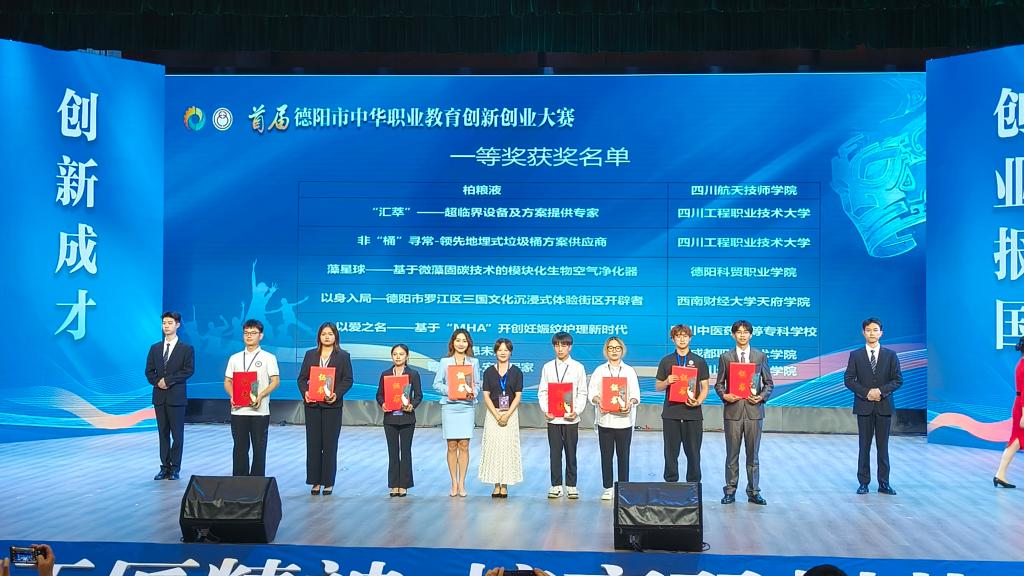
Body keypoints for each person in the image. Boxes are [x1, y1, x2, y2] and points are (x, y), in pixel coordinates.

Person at [714, 320, 774, 505]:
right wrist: (725, 395)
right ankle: (730, 491)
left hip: (754, 411)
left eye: (745, 332)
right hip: (733, 412)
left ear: (751, 335)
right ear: (733, 335)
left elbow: (769, 383)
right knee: (732, 455)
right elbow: (719, 384)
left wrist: (761, 397)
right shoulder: (726, 357)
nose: (742, 335)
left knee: (753, 455)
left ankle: (754, 491)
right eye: (739, 332)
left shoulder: (760, 356)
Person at [843, 317, 903, 495]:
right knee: (864, 446)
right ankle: (863, 483)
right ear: (863, 333)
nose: (872, 333)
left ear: (881, 333)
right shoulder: (856, 355)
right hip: (864, 406)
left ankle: (884, 483)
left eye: (875, 330)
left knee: (883, 447)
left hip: (884, 407)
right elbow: (849, 380)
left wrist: (880, 391)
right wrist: (866, 392)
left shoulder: (890, 355)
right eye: (868, 330)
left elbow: (898, 380)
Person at [297, 322, 354, 495]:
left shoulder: (343, 356)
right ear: (319, 337)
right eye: (323, 334)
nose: (327, 337)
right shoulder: (310, 355)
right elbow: (301, 379)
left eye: (330, 334)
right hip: (312, 405)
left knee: (330, 444)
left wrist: (336, 394)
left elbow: (348, 380)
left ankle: (328, 482)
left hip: (332, 406)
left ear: (335, 336)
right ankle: (315, 481)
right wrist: (306, 393)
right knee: (313, 444)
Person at [223, 319, 280, 476]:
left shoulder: (268, 357)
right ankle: (239, 481)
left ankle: (257, 482)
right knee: (239, 448)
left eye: (253, 333)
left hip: (259, 411)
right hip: (238, 410)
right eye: (246, 333)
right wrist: (233, 395)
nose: (249, 336)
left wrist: (261, 395)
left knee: (259, 449)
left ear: (260, 336)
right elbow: (227, 381)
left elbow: (275, 381)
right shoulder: (234, 358)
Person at [654, 324, 710, 483]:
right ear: (673, 339)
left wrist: (698, 401)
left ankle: (693, 486)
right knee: (670, 453)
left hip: (693, 414)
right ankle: (671, 485)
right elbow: (658, 386)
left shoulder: (699, 361)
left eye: (685, 336)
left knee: (693, 453)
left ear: (690, 338)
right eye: (678, 336)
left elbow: (705, 387)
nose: (682, 339)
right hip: (671, 413)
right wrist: (667, 381)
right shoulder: (666, 361)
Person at [537, 331, 589, 499]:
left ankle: (572, 485)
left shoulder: (578, 367)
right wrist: (546, 410)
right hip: (553, 418)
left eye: (564, 345)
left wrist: (577, 411)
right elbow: (543, 391)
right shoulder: (547, 367)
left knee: (571, 452)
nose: (560, 349)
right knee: (555, 452)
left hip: (571, 418)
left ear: (570, 347)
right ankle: (556, 485)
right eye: (557, 345)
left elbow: (582, 392)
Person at [144, 311, 195, 480]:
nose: (166, 326)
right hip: (159, 397)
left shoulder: (186, 349)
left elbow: (188, 370)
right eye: (164, 323)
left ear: (177, 325)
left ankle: (175, 468)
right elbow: (149, 371)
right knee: (163, 434)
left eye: (170, 323)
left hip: (176, 397)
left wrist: (168, 381)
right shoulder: (155, 348)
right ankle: (164, 467)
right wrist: (158, 381)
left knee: (177, 435)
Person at [589, 336, 641, 501]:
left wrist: (630, 402)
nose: (614, 351)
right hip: (605, 420)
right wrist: (599, 400)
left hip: (624, 421)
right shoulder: (599, 371)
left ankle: (623, 488)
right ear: (606, 351)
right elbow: (592, 393)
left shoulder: (629, 371)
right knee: (606, 456)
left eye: (617, 348)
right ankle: (608, 488)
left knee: (623, 456)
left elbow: (635, 395)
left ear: (622, 350)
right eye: (611, 348)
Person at [432, 329, 481, 497]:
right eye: (458, 340)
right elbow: (437, 384)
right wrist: (451, 390)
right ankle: (453, 482)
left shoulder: (473, 362)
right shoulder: (445, 362)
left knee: (464, 445)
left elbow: (477, 383)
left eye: (464, 341)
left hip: (466, 407)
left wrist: (473, 391)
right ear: (452, 342)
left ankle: (462, 483)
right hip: (450, 407)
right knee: (452, 445)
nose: (461, 344)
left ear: (469, 344)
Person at [478, 338, 525, 497]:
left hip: (510, 414)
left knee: (507, 449)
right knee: (494, 449)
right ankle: (496, 484)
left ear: (510, 352)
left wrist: (507, 415)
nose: (503, 353)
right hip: (493, 414)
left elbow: (518, 396)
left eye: (506, 350)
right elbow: (486, 395)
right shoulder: (488, 372)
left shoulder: (517, 372)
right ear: (495, 352)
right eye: (500, 350)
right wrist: (497, 415)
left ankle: (504, 484)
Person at [376, 343, 423, 496]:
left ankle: (404, 484)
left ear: (407, 356)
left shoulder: (413, 374)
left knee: (406, 451)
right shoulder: (385, 374)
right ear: (391, 356)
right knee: (393, 452)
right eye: (395, 354)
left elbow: (419, 395)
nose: (398, 357)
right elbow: (379, 394)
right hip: (390, 418)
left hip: (407, 418)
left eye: (401, 354)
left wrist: (412, 405)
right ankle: (393, 484)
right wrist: (383, 404)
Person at [993, 335, 1024, 488]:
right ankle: (1000, 474)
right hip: (1022, 406)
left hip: (1019, 405)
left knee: (1016, 441)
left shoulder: (1021, 364)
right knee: (1016, 441)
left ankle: (1000, 474)